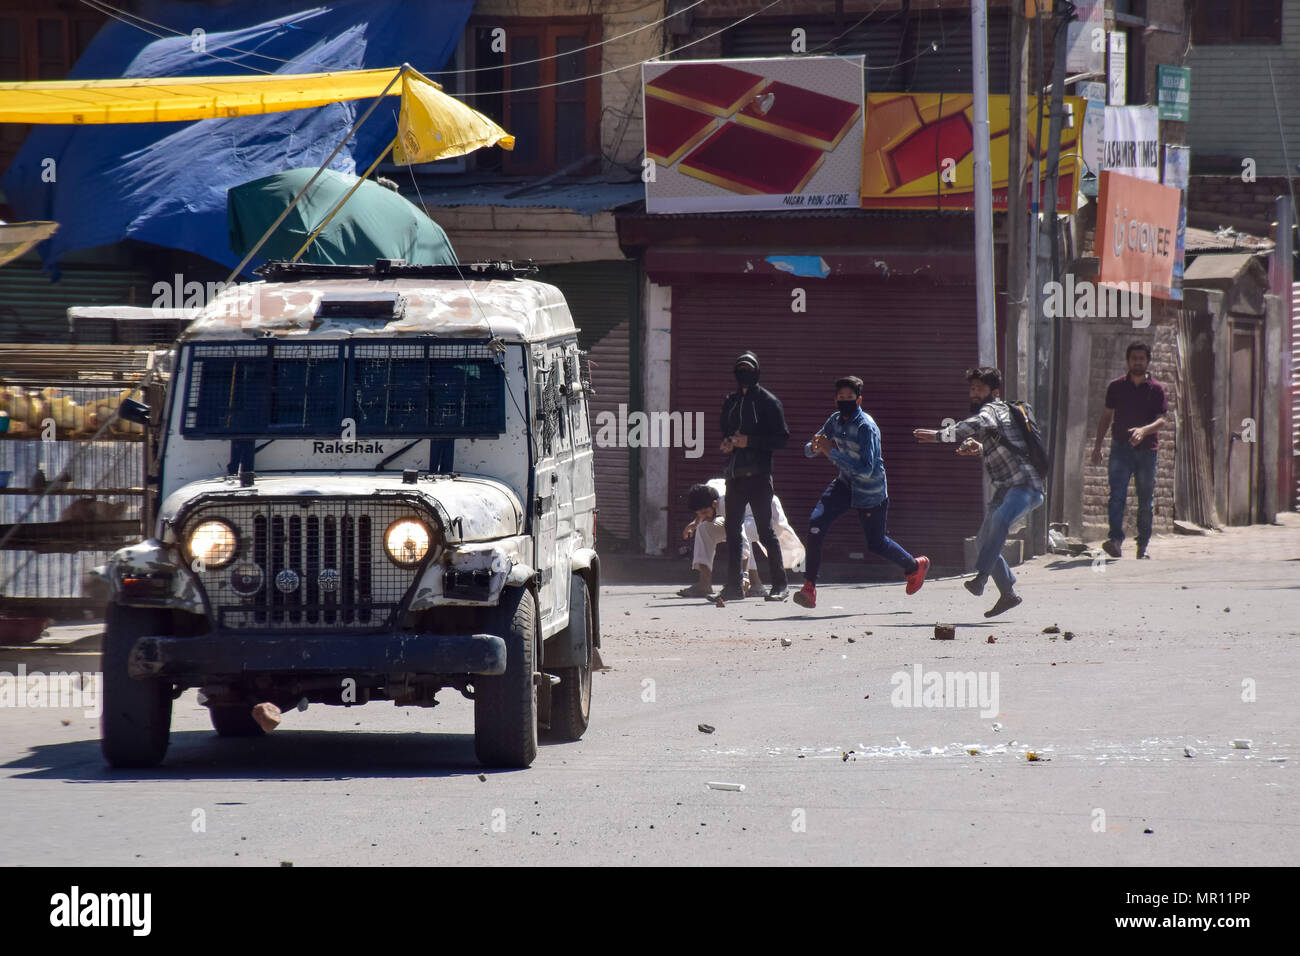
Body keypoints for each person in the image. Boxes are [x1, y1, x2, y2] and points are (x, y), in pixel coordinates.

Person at [913, 366, 1044, 618]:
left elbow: (973, 424)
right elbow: (1007, 446)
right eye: (972, 388)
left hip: (1026, 485)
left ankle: (981, 577)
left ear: (994, 392)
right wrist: (980, 448)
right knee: (983, 540)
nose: (974, 393)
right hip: (1006, 488)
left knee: (1001, 520)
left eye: (980, 389)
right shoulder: (1003, 414)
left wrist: (939, 436)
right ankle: (1007, 593)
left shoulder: (991, 409)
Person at [793, 376, 929, 608]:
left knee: (876, 542)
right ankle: (809, 587)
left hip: (870, 490)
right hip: (845, 484)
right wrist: (813, 447)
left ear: (859, 400)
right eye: (841, 398)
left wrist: (830, 453)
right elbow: (813, 446)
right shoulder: (834, 420)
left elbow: (866, 469)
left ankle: (914, 566)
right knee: (816, 524)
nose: (845, 401)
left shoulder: (867, 427)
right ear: (835, 400)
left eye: (850, 398)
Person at [718, 351, 791, 601]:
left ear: (757, 372)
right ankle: (733, 587)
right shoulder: (731, 401)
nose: (744, 374)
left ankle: (780, 585)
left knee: (765, 530)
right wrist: (729, 443)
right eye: (740, 369)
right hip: (735, 474)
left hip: (759, 475)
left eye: (748, 369)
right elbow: (726, 431)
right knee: (732, 529)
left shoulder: (769, 402)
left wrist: (750, 441)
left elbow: (782, 438)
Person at [1090, 341, 1167, 559]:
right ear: (1128, 361)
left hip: (1147, 451)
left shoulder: (1157, 389)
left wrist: (1143, 431)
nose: (1138, 362)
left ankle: (1142, 546)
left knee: (1145, 499)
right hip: (1120, 449)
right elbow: (1106, 417)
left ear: (1148, 361)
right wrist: (1097, 446)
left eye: (1142, 359)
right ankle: (1115, 540)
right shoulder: (1116, 387)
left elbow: (1162, 421)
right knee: (1117, 496)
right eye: (1134, 358)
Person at [678, 479, 805, 598]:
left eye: (705, 513)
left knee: (742, 530)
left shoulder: (728, 502)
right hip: (744, 514)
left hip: (766, 516)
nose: (703, 516)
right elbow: (704, 508)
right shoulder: (707, 491)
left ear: (715, 504)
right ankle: (704, 584)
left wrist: (744, 574)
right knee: (703, 528)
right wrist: (696, 522)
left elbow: (741, 538)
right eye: (699, 513)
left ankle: (755, 584)